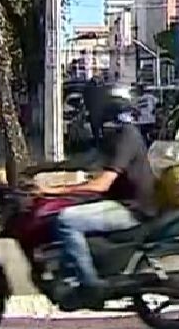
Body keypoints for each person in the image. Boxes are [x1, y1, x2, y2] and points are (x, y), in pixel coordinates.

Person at [39, 102, 158, 307]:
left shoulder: (126, 138)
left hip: (132, 209)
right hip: (121, 202)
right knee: (68, 208)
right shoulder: (116, 138)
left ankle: (91, 285)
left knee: (66, 220)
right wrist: (38, 169)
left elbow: (101, 185)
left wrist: (54, 190)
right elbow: (84, 162)